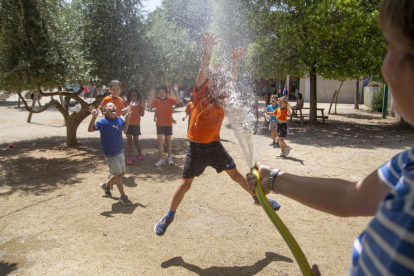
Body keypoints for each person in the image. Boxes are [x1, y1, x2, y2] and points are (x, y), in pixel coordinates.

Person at [247, 1, 414, 274]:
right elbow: (350, 196)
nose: (385, 64)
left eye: (392, 46)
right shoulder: (408, 163)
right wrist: (275, 179)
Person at [154, 32, 281, 236]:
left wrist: (237, 61)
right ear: (208, 83)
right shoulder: (199, 93)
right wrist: (208, 48)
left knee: (237, 175)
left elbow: (232, 79)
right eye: (214, 82)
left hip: (214, 146)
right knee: (185, 185)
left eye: (221, 84)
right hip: (196, 148)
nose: (218, 86)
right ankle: (168, 215)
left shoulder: (224, 96)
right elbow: (203, 70)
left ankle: (259, 198)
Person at [88, 102, 133, 206]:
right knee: (118, 174)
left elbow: (125, 130)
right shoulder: (102, 122)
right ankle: (123, 196)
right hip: (110, 154)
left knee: (121, 173)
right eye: (110, 106)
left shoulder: (118, 119)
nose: (113, 107)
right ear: (104, 111)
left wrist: (127, 118)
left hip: (120, 151)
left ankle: (106, 185)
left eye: (114, 105)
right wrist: (94, 117)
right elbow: (90, 129)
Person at [99, 80, 130, 179]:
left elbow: (121, 111)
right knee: (109, 144)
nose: (115, 91)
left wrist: (129, 108)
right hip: (109, 124)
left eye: (117, 89)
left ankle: (115, 169)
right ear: (110, 89)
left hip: (117, 123)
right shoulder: (106, 99)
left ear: (120, 90)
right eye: (113, 89)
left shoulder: (120, 99)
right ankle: (111, 169)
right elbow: (102, 110)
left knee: (117, 143)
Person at [148, 84, 181, 166]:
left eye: (163, 92)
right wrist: (152, 96)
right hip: (159, 124)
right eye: (159, 92)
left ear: (166, 92)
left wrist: (176, 91)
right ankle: (161, 159)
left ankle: (169, 157)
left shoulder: (170, 99)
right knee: (160, 142)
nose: (161, 94)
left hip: (168, 124)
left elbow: (178, 102)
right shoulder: (156, 100)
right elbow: (149, 106)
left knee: (168, 141)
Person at [124, 88, 146, 165]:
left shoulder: (139, 103)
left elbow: (142, 114)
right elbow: (123, 113)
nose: (133, 96)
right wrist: (130, 107)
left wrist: (143, 107)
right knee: (129, 141)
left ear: (137, 96)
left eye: (135, 95)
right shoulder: (126, 103)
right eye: (132, 95)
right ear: (129, 96)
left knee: (136, 140)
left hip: (136, 124)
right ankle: (129, 157)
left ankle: (140, 154)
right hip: (128, 124)